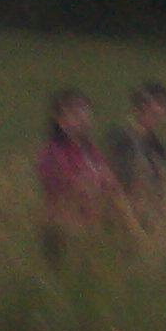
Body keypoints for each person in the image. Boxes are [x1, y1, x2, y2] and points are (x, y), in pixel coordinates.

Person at [36, 88, 118, 261]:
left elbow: (110, 182)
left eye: (85, 111)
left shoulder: (89, 149)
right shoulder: (52, 151)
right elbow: (72, 187)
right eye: (74, 113)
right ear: (59, 119)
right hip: (64, 229)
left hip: (90, 228)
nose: (81, 118)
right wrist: (94, 183)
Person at [104, 81, 166, 228]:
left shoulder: (157, 146)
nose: (157, 111)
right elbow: (113, 181)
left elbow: (161, 182)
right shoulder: (122, 138)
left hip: (148, 212)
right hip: (125, 212)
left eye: (161, 105)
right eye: (149, 105)